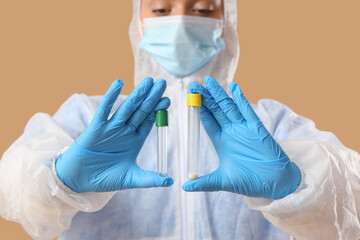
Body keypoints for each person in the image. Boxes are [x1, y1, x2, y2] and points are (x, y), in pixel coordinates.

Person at [0, 0, 359, 239]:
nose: (182, 22)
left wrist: (298, 185)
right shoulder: (90, 118)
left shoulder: (269, 123)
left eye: (203, 8)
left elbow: (353, 196)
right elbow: (11, 185)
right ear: (138, 21)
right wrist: (58, 177)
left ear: (227, 22)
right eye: (160, 8)